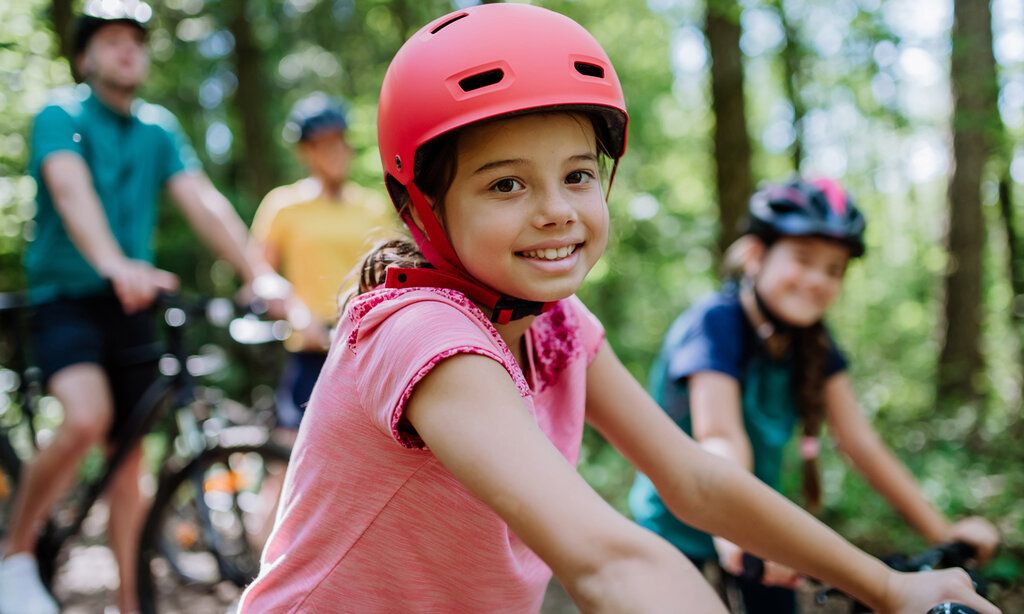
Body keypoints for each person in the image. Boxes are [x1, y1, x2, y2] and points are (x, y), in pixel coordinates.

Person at [238, 5, 999, 613]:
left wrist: (888, 585)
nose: (556, 211)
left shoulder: (560, 327)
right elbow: (604, 559)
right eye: (506, 184)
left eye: (577, 174)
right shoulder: (424, 335)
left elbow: (692, 478)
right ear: (420, 207)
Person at [0, 2, 288, 613]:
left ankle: (131, 604)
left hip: (132, 305)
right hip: (68, 301)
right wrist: (113, 264)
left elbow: (201, 199)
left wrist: (259, 274)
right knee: (84, 419)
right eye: (109, 40)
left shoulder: (157, 128)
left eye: (135, 39)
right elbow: (69, 189)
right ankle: (15, 553)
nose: (126, 48)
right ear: (84, 58)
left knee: (129, 463)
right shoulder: (62, 115)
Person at [629, 177, 1001, 613]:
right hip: (680, 527)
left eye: (834, 269)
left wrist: (945, 535)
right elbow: (720, 435)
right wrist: (733, 528)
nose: (817, 280)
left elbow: (861, 444)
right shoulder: (715, 324)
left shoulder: (816, 345)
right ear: (755, 256)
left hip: (755, 530)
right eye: (803, 259)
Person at [251, 93, 395, 435]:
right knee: (291, 449)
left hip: (368, 347)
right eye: (322, 144)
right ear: (305, 152)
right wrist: (294, 313)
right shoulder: (284, 206)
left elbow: (391, 274)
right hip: (312, 346)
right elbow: (259, 271)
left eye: (338, 141)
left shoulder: (372, 206)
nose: (333, 151)